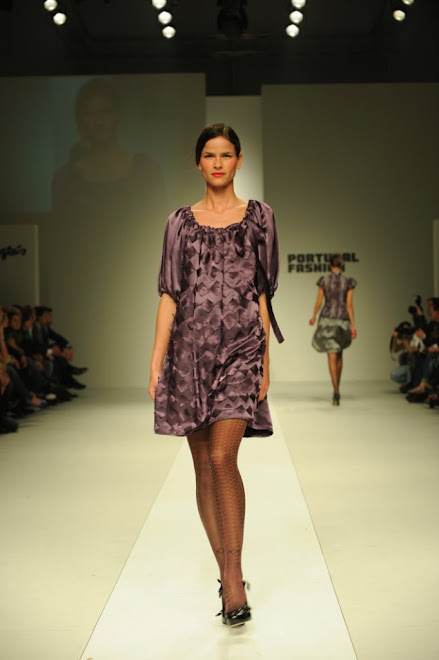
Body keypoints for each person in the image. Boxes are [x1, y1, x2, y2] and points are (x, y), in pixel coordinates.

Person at [148, 123, 283, 627]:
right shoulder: (178, 223)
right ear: (198, 162)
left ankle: (233, 576)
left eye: (227, 154)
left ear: (240, 160)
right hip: (189, 354)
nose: (219, 163)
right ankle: (226, 573)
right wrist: (156, 360)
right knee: (204, 467)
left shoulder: (260, 218)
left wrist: (265, 361)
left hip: (242, 349)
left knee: (224, 456)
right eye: (210, 155)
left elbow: (263, 292)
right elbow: (170, 293)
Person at [309, 253, 357, 405]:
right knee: (339, 355)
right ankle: (337, 388)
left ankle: (335, 390)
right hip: (342, 320)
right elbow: (349, 305)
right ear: (342, 265)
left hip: (327, 320)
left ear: (330, 265)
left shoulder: (324, 280)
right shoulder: (348, 281)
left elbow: (319, 301)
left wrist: (313, 315)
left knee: (331, 355)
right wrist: (353, 325)